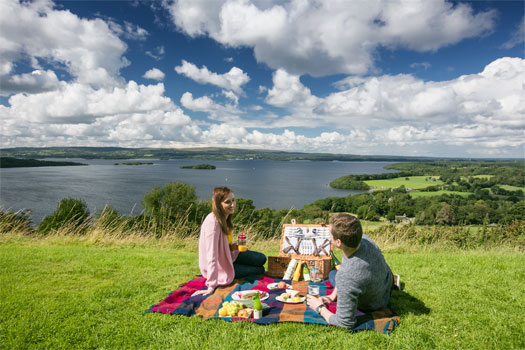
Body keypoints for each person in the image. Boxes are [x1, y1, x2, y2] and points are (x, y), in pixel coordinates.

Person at [307, 213, 396, 329]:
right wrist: (332, 296)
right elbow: (348, 268)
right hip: (385, 286)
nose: (329, 234)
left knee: (334, 275)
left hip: (372, 304)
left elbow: (344, 323)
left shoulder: (347, 275)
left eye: (330, 233)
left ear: (339, 242)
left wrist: (319, 307)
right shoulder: (364, 239)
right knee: (336, 275)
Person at [192, 186, 266, 297]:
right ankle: (230, 271)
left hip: (230, 256)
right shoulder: (213, 223)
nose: (232, 205)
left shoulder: (225, 219)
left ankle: (236, 265)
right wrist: (211, 285)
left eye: (233, 200)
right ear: (218, 204)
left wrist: (234, 246)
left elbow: (223, 245)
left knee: (262, 258)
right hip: (219, 266)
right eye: (227, 202)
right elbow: (211, 256)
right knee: (259, 269)